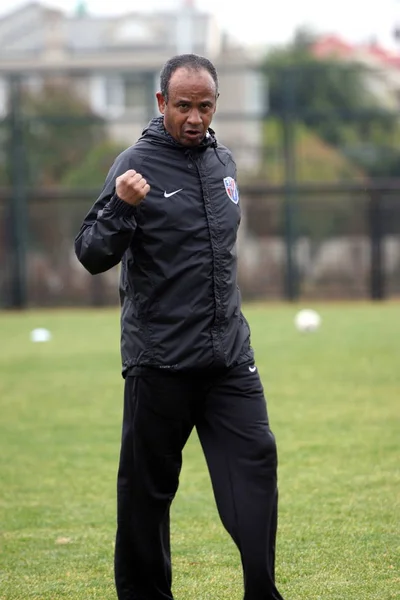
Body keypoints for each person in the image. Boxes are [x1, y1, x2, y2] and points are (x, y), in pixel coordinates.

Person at [75, 54, 285, 600]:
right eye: (184, 105)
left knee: (256, 466)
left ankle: (263, 591)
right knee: (147, 496)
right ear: (161, 103)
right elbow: (91, 254)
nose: (195, 117)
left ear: (217, 105)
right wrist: (121, 207)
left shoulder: (224, 163)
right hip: (161, 361)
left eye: (206, 105)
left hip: (229, 359)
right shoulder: (134, 164)